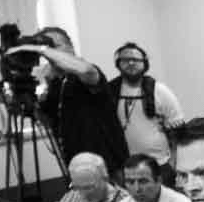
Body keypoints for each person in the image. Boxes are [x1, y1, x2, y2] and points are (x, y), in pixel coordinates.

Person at [17, 27, 128, 173]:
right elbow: (45, 120)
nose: (50, 53)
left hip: (110, 168)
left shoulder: (86, 71)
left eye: (54, 46)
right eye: (46, 49)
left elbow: (85, 70)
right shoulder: (52, 83)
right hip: (77, 169)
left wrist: (43, 48)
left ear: (70, 46)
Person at [106, 42, 184, 168]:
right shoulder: (109, 92)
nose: (131, 63)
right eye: (125, 60)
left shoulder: (160, 90)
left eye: (135, 59)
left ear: (144, 63)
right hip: (123, 166)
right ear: (118, 64)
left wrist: (174, 162)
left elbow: (178, 130)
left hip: (160, 164)